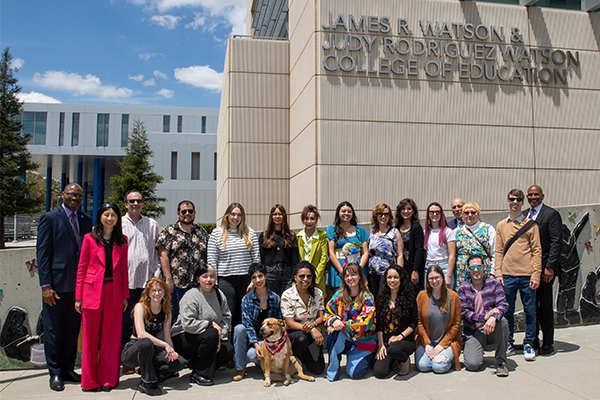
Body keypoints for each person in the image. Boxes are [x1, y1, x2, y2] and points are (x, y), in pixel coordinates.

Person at [36, 183, 92, 391]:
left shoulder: (85, 220)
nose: (75, 199)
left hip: (78, 289)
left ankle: (68, 369)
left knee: (71, 332)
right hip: (56, 288)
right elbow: (43, 254)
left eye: (78, 196)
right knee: (53, 332)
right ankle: (56, 372)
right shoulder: (49, 218)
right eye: (71, 195)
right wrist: (46, 285)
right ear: (62, 195)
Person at [75, 203, 129, 392]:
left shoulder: (122, 240)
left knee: (111, 337)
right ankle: (89, 381)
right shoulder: (89, 239)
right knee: (89, 338)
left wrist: (124, 296)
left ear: (117, 219)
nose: (109, 218)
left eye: (113, 215)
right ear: (100, 217)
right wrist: (79, 297)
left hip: (114, 292)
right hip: (91, 292)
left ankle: (108, 379)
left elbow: (123, 270)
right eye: (106, 214)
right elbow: (81, 268)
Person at [495, 189, 542, 361]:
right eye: (512, 199)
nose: (515, 202)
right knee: (507, 311)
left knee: (530, 310)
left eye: (518, 199)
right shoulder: (501, 225)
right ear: (508, 201)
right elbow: (498, 251)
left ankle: (529, 342)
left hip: (527, 276)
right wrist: (498, 273)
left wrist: (536, 274)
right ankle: (508, 342)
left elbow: (537, 251)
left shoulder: (531, 225)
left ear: (523, 202)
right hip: (507, 275)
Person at [121, 277, 186, 395]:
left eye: (160, 290)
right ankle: (148, 382)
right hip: (134, 349)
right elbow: (141, 334)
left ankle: (149, 373)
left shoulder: (166, 310)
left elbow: (167, 337)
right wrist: (165, 345)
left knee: (179, 363)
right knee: (146, 342)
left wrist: (171, 352)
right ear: (148, 293)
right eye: (153, 290)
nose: (157, 293)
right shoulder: (140, 307)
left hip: (152, 349)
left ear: (165, 292)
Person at [171, 263, 233, 386]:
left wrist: (220, 337)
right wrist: (210, 324)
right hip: (184, 337)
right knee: (211, 333)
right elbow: (188, 324)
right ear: (198, 279)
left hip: (210, 337)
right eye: (205, 277)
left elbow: (226, 317)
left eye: (212, 276)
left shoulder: (219, 294)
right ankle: (199, 373)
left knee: (228, 350)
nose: (209, 280)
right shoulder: (191, 295)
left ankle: (200, 364)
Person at [524, 185, 562, 355]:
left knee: (545, 305)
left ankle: (548, 342)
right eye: (530, 195)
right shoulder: (524, 215)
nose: (533, 197)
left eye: (536, 194)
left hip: (545, 269)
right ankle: (533, 341)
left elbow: (556, 242)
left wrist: (550, 268)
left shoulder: (551, 214)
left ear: (542, 196)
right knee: (531, 306)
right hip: (528, 269)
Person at [207, 202, 260, 326]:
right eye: (233, 214)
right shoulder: (217, 233)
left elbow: (256, 259)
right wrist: (214, 281)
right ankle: (226, 342)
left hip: (245, 280)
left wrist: (254, 281)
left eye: (239, 215)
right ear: (227, 215)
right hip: (226, 280)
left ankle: (241, 342)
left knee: (243, 315)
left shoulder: (249, 233)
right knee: (227, 313)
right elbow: (212, 259)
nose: (235, 218)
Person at [156, 200, 209, 322]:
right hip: (177, 284)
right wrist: (168, 280)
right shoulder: (169, 231)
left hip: (197, 285)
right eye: (183, 211)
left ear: (194, 213)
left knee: (196, 317)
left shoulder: (201, 232)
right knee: (175, 318)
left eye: (190, 211)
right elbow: (163, 256)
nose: (187, 213)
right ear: (178, 213)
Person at [121, 190, 161, 348]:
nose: (135, 204)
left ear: (143, 203)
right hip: (127, 282)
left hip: (147, 281)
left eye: (138, 201)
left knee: (145, 321)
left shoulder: (151, 224)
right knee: (125, 321)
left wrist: (156, 276)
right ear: (126, 204)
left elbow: (155, 252)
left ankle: (141, 358)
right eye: (131, 201)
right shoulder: (120, 224)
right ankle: (127, 356)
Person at [458, 255, 509, 377]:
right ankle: (478, 351)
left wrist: (493, 317)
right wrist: (484, 317)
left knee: (503, 322)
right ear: (468, 269)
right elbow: (463, 312)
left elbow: (503, 304)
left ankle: (501, 362)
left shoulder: (494, 284)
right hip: (474, 332)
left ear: (484, 267)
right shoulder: (463, 288)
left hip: (492, 329)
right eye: (473, 267)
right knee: (472, 365)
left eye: (479, 266)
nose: (476, 270)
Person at [324, 262, 376, 381]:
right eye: (346, 276)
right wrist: (333, 322)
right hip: (346, 338)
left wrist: (341, 325)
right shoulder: (339, 295)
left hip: (364, 339)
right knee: (332, 334)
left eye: (353, 275)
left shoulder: (368, 297)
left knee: (355, 374)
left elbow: (365, 322)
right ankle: (333, 371)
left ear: (360, 277)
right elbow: (327, 313)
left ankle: (367, 357)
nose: (350, 278)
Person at [232, 263, 283, 381]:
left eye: (260, 276)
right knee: (239, 329)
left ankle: (264, 364)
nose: (258, 280)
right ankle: (240, 368)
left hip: (269, 340)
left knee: (253, 354)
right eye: (254, 277)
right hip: (253, 339)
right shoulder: (247, 299)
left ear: (265, 276)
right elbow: (247, 325)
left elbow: (280, 322)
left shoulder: (275, 298)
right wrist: (255, 344)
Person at [414, 265, 461, 374]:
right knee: (423, 366)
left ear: (442, 278)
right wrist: (427, 344)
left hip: (447, 342)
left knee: (438, 367)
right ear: (427, 280)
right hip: (427, 342)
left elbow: (456, 324)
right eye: (431, 278)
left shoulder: (453, 297)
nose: (434, 281)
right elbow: (419, 322)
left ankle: (446, 358)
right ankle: (437, 358)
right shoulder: (422, 296)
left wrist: (441, 345)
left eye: (437, 277)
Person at [281, 261, 325, 375]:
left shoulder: (318, 293)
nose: (305, 279)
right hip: (295, 334)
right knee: (302, 338)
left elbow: (321, 317)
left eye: (308, 276)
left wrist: (314, 325)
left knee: (318, 369)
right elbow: (290, 323)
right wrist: (311, 329)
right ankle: (294, 358)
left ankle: (304, 358)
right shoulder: (287, 295)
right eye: (301, 276)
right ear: (295, 278)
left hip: (313, 335)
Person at [374, 265, 417, 378]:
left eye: (396, 277)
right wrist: (381, 344)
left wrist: (399, 337)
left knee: (394, 349)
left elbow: (414, 322)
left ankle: (404, 360)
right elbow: (378, 323)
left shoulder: (409, 298)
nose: (392, 280)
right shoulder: (381, 297)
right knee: (379, 372)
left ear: (401, 278)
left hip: (404, 340)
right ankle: (393, 360)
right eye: (389, 277)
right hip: (387, 340)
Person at [326, 201, 369, 297]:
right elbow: (331, 253)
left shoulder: (360, 230)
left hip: (357, 264)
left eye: (349, 211)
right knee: (340, 297)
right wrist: (343, 271)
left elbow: (365, 253)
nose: (346, 214)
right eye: (343, 211)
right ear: (338, 213)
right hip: (339, 266)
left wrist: (359, 269)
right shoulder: (331, 229)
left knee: (359, 296)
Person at [259, 204, 299, 296]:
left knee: (286, 301)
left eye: (280, 214)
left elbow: (295, 260)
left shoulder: (291, 235)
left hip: (287, 273)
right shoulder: (264, 235)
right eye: (274, 214)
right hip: (270, 274)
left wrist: (294, 279)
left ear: (284, 216)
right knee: (271, 301)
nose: (277, 217)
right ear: (271, 216)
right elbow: (261, 259)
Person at [454, 202, 496, 289]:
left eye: (473, 212)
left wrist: (493, 273)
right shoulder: (456, 232)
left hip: (483, 272)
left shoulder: (488, 229)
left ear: (478, 214)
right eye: (466, 213)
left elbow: (494, 253)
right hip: (463, 274)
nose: (470, 215)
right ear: (462, 215)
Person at [367, 203, 404, 301]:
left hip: (388, 273)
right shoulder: (372, 233)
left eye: (386, 214)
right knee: (374, 298)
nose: (383, 217)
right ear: (376, 216)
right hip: (373, 272)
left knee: (384, 299)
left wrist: (399, 273)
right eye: (380, 214)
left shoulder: (394, 232)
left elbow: (400, 254)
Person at [296, 205, 328, 295]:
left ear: (316, 220)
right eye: (306, 219)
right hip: (301, 279)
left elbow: (323, 258)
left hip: (317, 279)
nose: (309, 222)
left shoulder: (322, 236)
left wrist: (314, 278)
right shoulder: (297, 236)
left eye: (312, 219)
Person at [424, 202, 456, 288]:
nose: (434, 214)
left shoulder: (448, 232)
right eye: (431, 212)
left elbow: (452, 255)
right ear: (428, 214)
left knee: (446, 297)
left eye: (437, 212)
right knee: (429, 297)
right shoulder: (425, 232)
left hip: (444, 266)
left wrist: (448, 276)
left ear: (441, 214)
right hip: (428, 266)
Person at [395, 198, 425, 290]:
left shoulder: (416, 227)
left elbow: (419, 250)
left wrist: (415, 271)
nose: (406, 211)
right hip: (400, 267)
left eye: (409, 209)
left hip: (412, 268)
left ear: (413, 211)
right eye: (403, 209)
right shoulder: (396, 228)